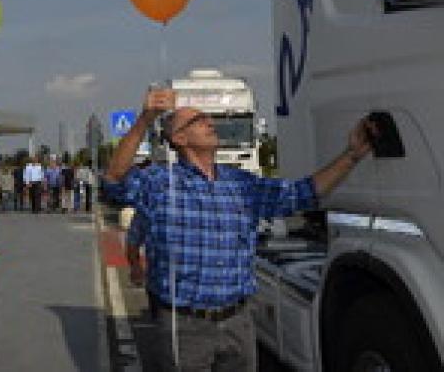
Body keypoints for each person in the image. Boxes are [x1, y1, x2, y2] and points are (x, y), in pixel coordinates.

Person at [106, 87, 376, 371]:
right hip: (184, 326)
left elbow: (301, 193)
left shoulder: (240, 183)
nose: (210, 122)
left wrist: (352, 155)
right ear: (179, 138)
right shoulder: (162, 182)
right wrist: (145, 120)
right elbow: (114, 178)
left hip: (238, 322)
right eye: (198, 120)